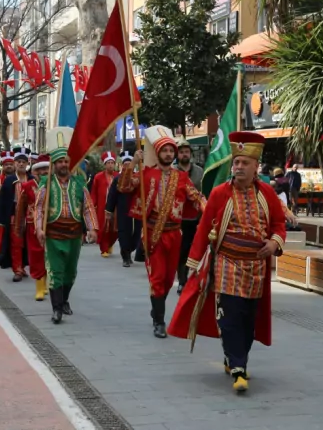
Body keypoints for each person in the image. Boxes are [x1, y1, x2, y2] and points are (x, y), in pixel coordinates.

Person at [168, 131, 286, 393]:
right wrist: (193, 263)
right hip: (226, 264)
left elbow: (278, 223)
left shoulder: (267, 193)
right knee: (230, 316)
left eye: (245, 163)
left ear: (256, 166)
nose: (239, 167)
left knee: (248, 319)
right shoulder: (221, 193)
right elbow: (202, 229)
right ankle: (239, 368)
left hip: (256, 268)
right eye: (236, 163)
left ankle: (233, 357)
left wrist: (274, 243)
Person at [118, 126, 206, 338]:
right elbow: (123, 187)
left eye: (171, 151)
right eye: (164, 150)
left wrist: (211, 210)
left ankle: (156, 306)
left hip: (175, 234)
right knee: (157, 278)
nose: (168, 154)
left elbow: (197, 198)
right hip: (152, 232)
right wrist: (133, 164)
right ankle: (159, 321)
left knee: (168, 280)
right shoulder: (146, 173)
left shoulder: (182, 178)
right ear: (157, 153)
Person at [34, 127, 99, 324]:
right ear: (54, 163)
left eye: (66, 161)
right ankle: (56, 309)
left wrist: (93, 229)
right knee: (55, 271)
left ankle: (64, 301)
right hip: (53, 234)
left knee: (70, 273)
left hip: (74, 235)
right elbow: (38, 209)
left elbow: (88, 207)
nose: (63, 164)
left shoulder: (79, 184)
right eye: (60, 161)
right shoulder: (46, 184)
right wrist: (39, 228)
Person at [14, 154, 51, 300]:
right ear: (35, 171)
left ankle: (47, 282)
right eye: (41, 170)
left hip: (52, 225)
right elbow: (20, 208)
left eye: (46, 169)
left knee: (49, 255)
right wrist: (18, 226)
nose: (44, 172)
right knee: (36, 255)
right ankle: (39, 287)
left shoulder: (54, 185)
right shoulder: (27, 186)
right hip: (32, 225)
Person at [0, 147, 32, 281]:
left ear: (28, 163)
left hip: (31, 217)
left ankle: (22, 265)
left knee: (28, 244)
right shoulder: (9, 180)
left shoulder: (32, 179)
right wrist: (2, 218)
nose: (21, 164)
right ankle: (17, 269)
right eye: (18, 161)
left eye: (23, 162)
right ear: (15, 163)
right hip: (14, 217)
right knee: (16, 244)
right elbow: (3, 201)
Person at [174, 139, 204, 294]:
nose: (184, 154)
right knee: (181, 250)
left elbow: (204, 192)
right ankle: (182, 280)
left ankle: (190, 279)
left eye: (186, 151)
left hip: (195, 217)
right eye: (181, 152)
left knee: (194, 249)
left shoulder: (199, 171)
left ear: (190, 154)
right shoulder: (173, 171)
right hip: (177, 218)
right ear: (177, 154)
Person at [105, 151, 138, 268]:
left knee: (136, 235)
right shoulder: (118, 179)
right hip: (123, 210)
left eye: (130, 164)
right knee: (124, 233)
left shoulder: (138, 178)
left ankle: (130, 250)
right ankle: (125, 256)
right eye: (126, 164)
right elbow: (112, 195)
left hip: (137, 212)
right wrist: (109, 210)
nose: (128, 166)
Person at [91, 151, 119, 258]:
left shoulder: (118, 176)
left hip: (115, 207)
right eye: (108, 163)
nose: (111, 165)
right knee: (103, 227)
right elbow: (94, 192)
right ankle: (104, 248)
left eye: (112, 162)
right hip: (102, 206)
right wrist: (93, 204)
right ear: (105, 164)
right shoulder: (98, 177)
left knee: (115, 228)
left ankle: (110, 243)